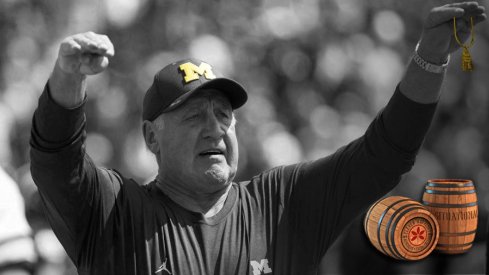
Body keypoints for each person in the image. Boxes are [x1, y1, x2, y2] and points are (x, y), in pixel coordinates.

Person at [29, 2, 486, 275]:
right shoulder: (115, 212)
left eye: (224, 114)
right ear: (151, 137)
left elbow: (387, 153)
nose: (215, 127)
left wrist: (430, 57)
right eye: (192, 116)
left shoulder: (281, 203)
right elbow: (56, 162)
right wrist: (68, 82)